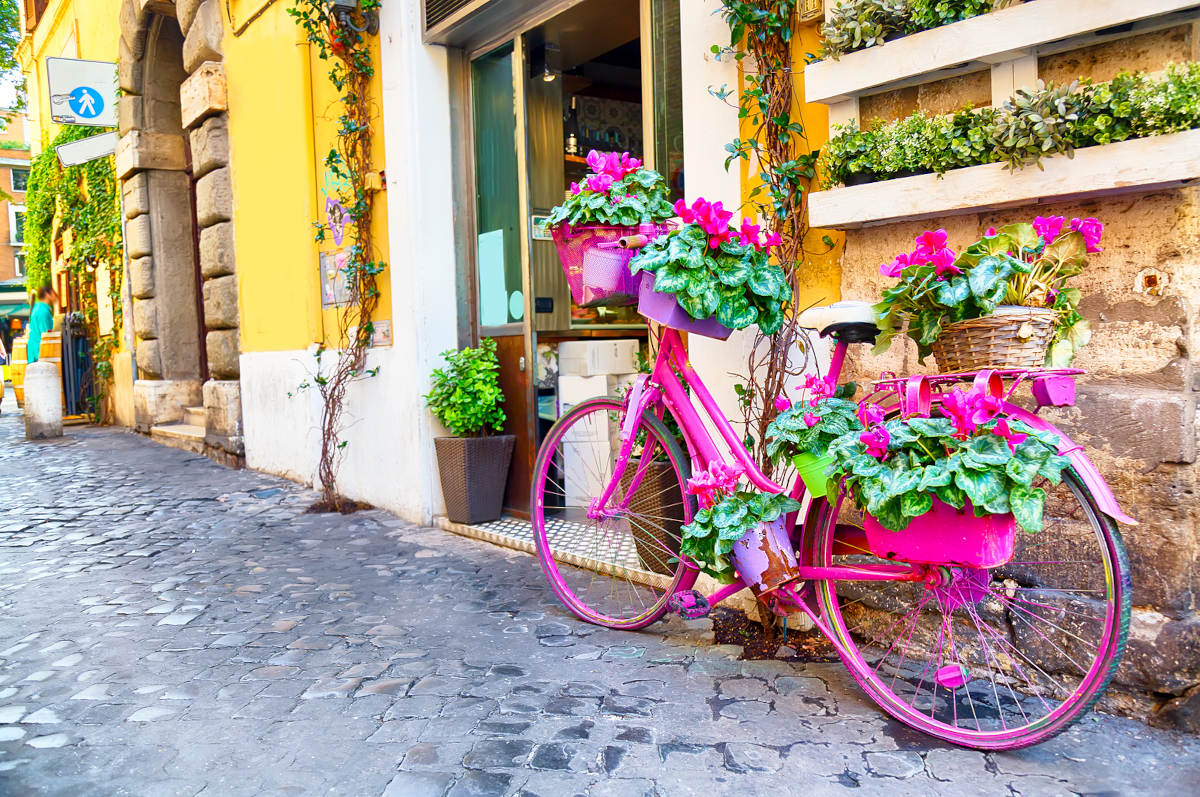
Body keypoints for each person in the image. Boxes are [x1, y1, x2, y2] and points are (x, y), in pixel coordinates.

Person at [28, 286, 57, 363]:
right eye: (54, 294)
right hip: (40, 352)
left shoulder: (38, 308)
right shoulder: (43, 311)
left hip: (36, 351)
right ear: (47, 295)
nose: (56, 296)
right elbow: (46, 335)